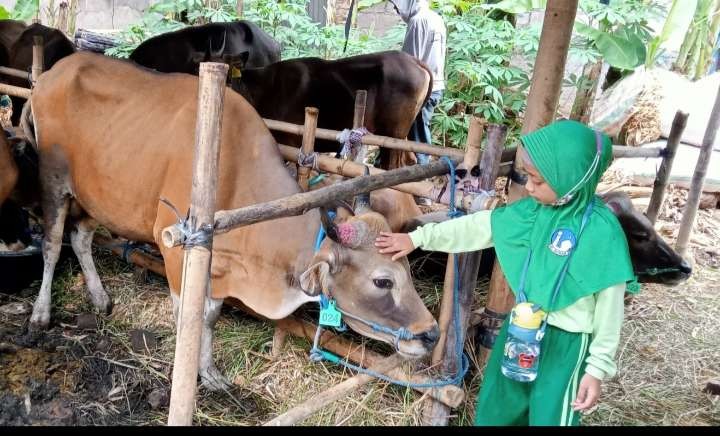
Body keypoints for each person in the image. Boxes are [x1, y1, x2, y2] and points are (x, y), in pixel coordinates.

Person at [375, 120, 637, 426]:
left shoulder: (602, 234)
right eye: (529, 178)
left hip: (567, 346)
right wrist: (417, 238)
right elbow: (477, 227)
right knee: (498, 408)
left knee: (551, 417)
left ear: (571, 180)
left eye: (538, 181)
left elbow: (610, 310)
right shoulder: (531, 212)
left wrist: (596, 370)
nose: (528, 187)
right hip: (521, 328)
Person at [388, 0, 446, 166]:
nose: (396, 10)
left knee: (417, 132)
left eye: (397, 6)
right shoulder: (436, 18)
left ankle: (422, 171)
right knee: (418, 128)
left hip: (417, 88)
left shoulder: (418, 21)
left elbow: (407, 65)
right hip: (436, 84)